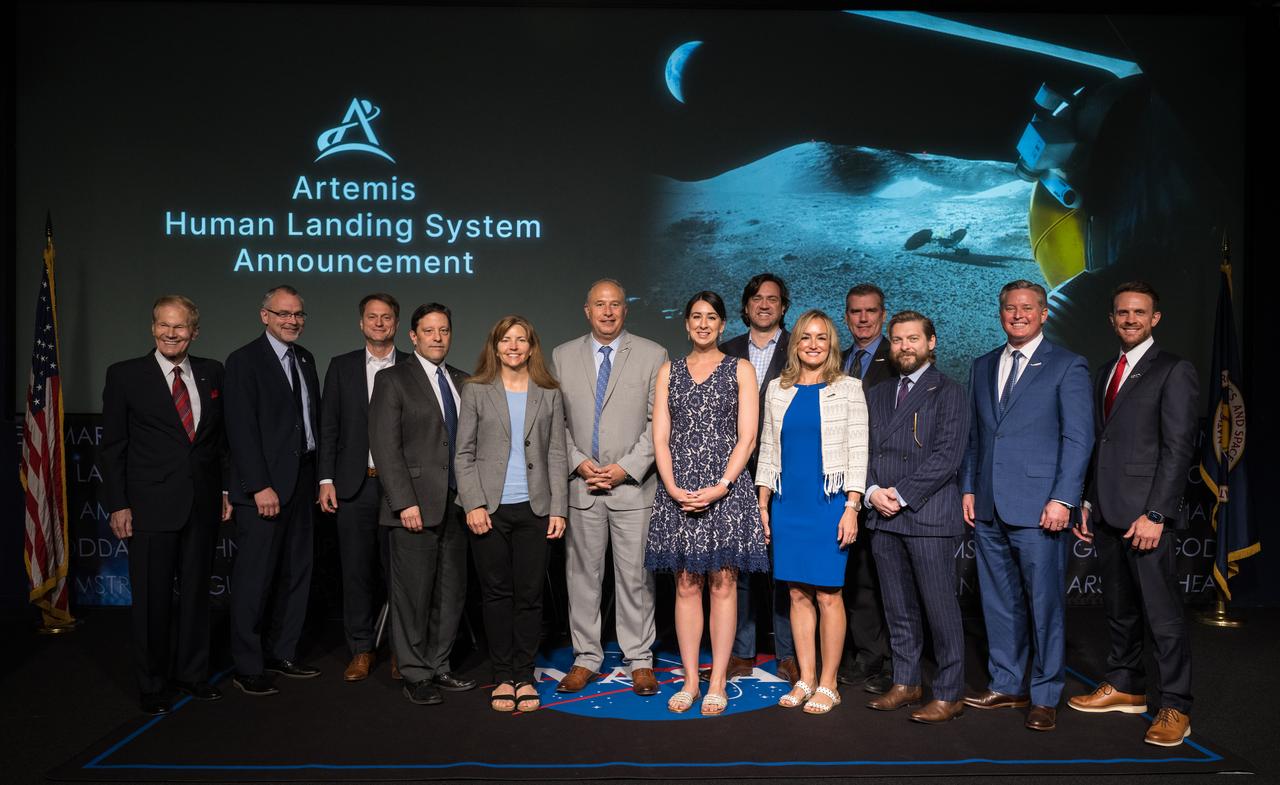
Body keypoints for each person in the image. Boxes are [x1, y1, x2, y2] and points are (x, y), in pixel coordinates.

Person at [960, 279, 1093, 732]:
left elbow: (1078, 438)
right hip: (990, 505)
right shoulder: (981, 366)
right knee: (997, 602)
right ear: (1000, 313)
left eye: (1027, 308)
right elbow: (978, 436)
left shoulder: (1067, 365)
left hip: (1041, 507)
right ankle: (1007, 683)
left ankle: (1046, 692)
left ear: (1043, 313)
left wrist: (1063, 498)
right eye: (1010, 308)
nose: (1018, 315)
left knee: (1044, 604)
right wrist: (969, 488)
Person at [1069, 282, 1198, 747]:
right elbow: (1100, 445)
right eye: (1122, 312)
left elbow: (1178, 448)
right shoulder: (1106, 371)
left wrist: (1157, 513)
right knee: (1120, 611)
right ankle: (1126, 686)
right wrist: (1087, 502)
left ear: (1154, 319)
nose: (1130, 319)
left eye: (1139, 312)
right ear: (1112, 318)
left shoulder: (1174, 370)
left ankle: (1176, 706)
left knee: (1161, 617)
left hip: (1147, 517)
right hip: (1105, 511)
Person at [101, 295, 232, 714]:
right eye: (163, 325)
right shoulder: (125, 375)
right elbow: (113, 447)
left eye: (179, 327)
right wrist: (118, 504)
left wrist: (226, 490)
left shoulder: (213, 372)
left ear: (195, 331)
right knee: (153, 600)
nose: (170, 333)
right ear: (153, 328)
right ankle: (153, 683)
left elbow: (219, 443)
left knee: (196, 596)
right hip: (150, 505)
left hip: (202, 503)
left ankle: (192, 674)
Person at [647, 291, 770, 715]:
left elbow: (748, 436)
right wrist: (672, 485)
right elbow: (660, 436)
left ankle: (717, 680)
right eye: (696, 317)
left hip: (725, 492)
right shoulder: (668, 371)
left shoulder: (741, 368)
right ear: (686, 324)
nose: (703, 324)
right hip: (677, 491)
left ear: (722, 325)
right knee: (685, 585)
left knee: (723, 584)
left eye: (711, 317)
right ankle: (689, 680)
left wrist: (721, 485)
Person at [551, 279, 668, 697]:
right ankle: (586, 657)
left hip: (633, 488)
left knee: (636, 577)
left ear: (625, 309)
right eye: (599, 305)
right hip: (581, 487)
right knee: (582, 576)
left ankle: (639, 659)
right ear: (587, 310)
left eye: (615, 304)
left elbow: (658, 423)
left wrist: (623, 469)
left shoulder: (654, 355)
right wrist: (581, 463)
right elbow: (554, 422)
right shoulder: (562, 356)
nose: (607, 312)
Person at [756, 309, 868, 715]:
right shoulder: (777, 390)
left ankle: (829, 682)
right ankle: (804, 677)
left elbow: (859, 452)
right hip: (788, 504)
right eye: (806, 337)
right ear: (795, 344)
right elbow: (768, 450)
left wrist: (852, 507)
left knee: (828, 594)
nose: (813, 344)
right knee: (797, 594)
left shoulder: (849, 388)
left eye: (821, 337)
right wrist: (763, 503)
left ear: (832, 344)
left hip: (829, 504)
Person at [455, 315, 568, 713]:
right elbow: (463, 453)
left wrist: (559, 508)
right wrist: (473, 503)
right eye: (507, 340)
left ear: (532, 347)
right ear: (495, 346)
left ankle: (524, 673)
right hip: (489, 510)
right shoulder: (476, 390)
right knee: (496, 594)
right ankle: (503, 675)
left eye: (522, 340)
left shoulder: (549, 392)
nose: (514, 346)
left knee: (530, 596)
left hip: (536, 510)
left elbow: (557, 453)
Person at [862, 311, 969, 724]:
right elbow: (864, 450)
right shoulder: (878, 393)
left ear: (931, 343)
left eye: (913, 339)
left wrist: (901, 495)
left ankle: (949, 692)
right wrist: (872, 492)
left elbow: (947, 457)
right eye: (898, 340)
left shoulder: (950, 391)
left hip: (927, 515)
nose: (904, 346)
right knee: (898, 609)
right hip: (883, 517)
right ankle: (906, 682)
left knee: (940, 610)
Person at [368, 303, 474, 706]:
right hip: (413, 507)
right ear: (413, 336)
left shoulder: (464, 381)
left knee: (451, 592)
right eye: (428, 330)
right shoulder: (393, 379)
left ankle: (440, 664)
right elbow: (384, 446)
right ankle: (415, 672)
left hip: (458, 505)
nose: (437, 337)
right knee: (412, 595)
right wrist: (402, 502)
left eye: (444, 330)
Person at [225, 284, 323, 696]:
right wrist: (259, 485)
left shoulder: (305, 358)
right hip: (264, 488)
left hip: (302, 481)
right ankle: (247, 665)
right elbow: (240, 430)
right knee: (254, 578)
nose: (292, 321)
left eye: (298, 314)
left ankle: (281, 653)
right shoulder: (244, 361)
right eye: (283, 313)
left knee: (295, 573)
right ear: (264, 315)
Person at [318, 293, 412, 682]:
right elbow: (329, 427)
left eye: (386, 317)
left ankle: (400, 653)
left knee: (402, 575)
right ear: (361, 323)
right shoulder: (341, 367)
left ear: (395, 323)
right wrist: (326, 479)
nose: (378, 323)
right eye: (371, 317)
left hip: (400, 491)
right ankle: (361, 649)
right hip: (354, 488)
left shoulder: (412, 366)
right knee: (356, 573)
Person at [719, 273, 798, 684]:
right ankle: (742, 652)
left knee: (784, 569)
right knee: (742, 568)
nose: (764, 305)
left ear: (783, 307)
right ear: (746, 306)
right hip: (738, 474)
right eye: (756, 299)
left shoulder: (799, 347)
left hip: (788, 474)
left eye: (772, 299)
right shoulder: (727, 350)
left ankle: (788, 654)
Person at [837, 283, 893, 694]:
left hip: (886, 487)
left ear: (882, 314)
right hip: (845, 487)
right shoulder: (836, 362)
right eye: (855, 311)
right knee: (856, 579)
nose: (863, 318)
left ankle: (893, 662)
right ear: (847, 316)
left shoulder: (899, 360)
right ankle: (867, 656)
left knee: (889, 580)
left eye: (870, 311)